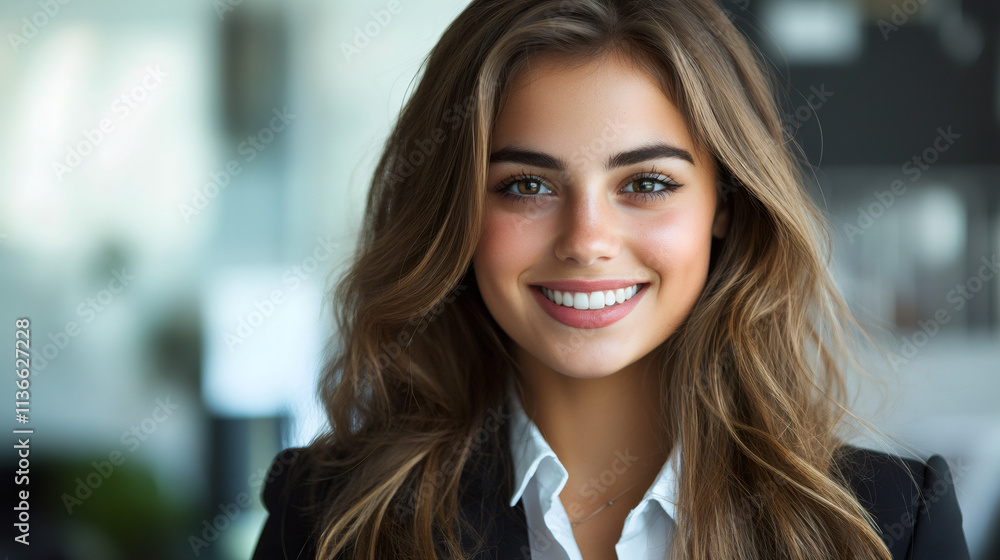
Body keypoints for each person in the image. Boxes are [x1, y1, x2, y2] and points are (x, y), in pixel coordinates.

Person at [252, 0, 972, 558]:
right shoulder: (326, 519)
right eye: (527, 186)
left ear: (725, 202)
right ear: (457, 210)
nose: (587, 242)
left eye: (648, 182)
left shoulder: (888, 525)